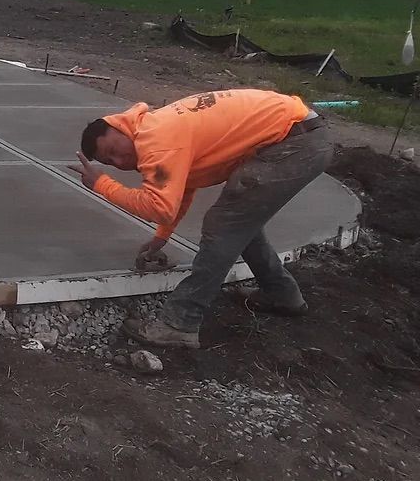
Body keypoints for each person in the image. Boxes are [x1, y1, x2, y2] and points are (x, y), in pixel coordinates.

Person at [68, 89, 332, 349]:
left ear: (122, 128)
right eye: (110, 162)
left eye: (115, 149)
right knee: (239, 217)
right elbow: (182, 188)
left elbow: (160, 207)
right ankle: (281, 294)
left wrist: (103, 184)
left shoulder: (155, 140)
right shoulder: (153, 128)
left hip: (295, 142)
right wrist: (162, 236)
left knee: (224, 224)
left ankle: (179, 323)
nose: (120, 160)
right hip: (300, 134)